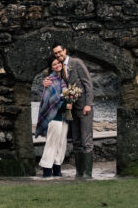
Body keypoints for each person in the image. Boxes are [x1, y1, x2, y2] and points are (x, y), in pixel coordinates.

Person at [47, 43, 94, 178]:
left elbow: (88, 83)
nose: (58, 55)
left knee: (86, 140)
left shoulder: (77, 62)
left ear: (65, 51)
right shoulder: (60, 69)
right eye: (56, 53)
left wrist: (88, 104)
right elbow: (56, 82)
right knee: (76, 141)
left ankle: (88, 173)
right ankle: (79, 172)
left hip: (84, 108)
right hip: (71, 110)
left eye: (60, 52)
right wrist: (46, 81)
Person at [34, 57, 68, 177]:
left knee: (61, 145)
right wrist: (65, 102)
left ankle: (57, 170)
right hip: (54, 118)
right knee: (51, 144)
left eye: (59, 62)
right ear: (51, 67)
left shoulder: (63, 79)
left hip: (64, 118)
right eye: (54, 64)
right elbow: (50, 101)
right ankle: (47, 172)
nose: (57, 65)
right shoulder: (51, 80)